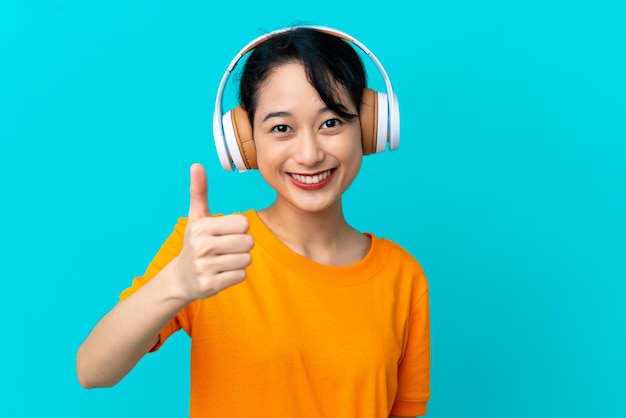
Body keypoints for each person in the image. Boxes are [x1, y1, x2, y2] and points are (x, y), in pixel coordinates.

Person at [76, 26, 430, 418]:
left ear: (368, 128)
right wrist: (177, 282)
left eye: (331, 123)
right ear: (244, 142)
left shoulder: (402, 275)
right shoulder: (208, 248)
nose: (309, 154)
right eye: (281, 128)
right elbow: (93, 371)